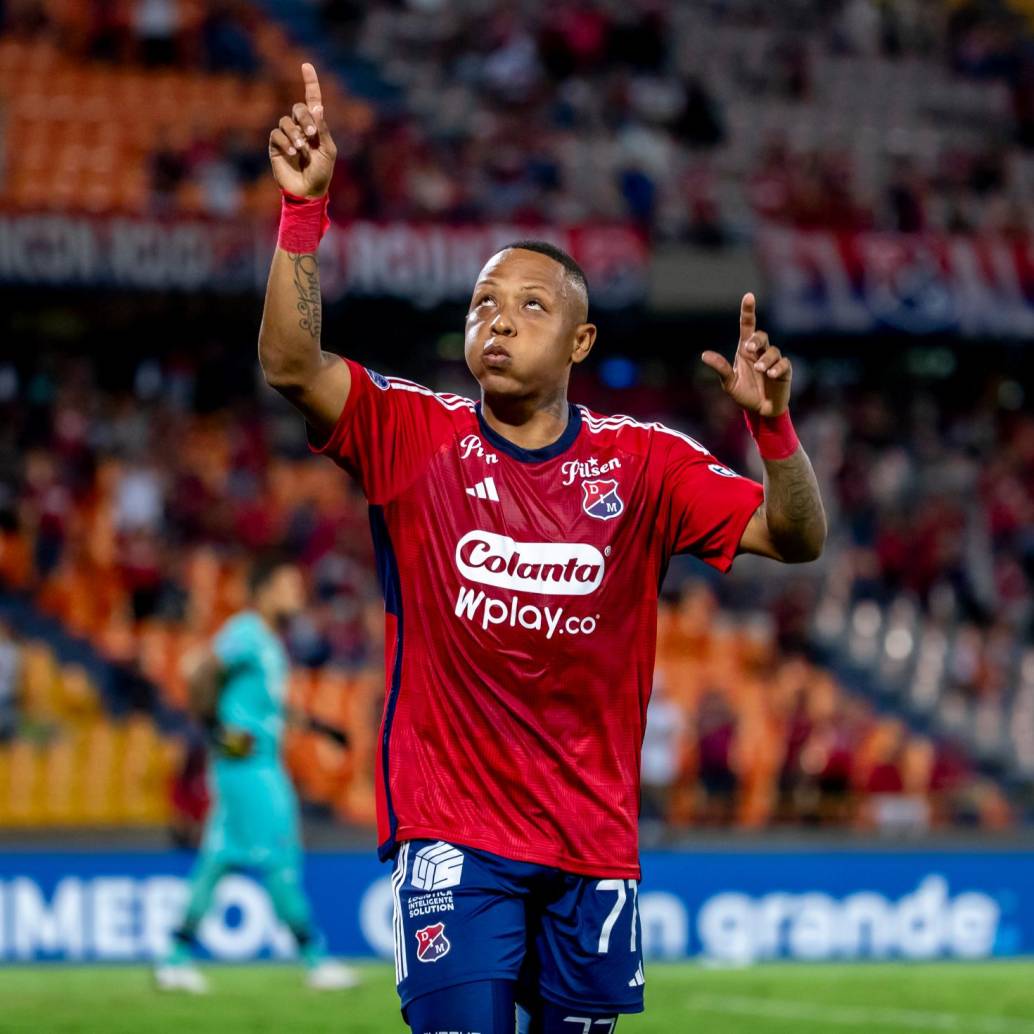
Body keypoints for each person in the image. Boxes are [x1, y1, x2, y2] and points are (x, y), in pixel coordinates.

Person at [259, 64, 826, 1033]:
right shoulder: (413, 434)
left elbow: (794, 536)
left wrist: (774, 432)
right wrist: (301, 213)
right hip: (452, 832)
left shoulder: (643, 462)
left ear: (578, 339)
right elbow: (289, 364)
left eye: (528, 306)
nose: (499, 321)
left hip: (590, 843)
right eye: (484, 304)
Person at [154, 554, 358, 994]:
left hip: (246, 763)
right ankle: (315, 958)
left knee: (218, 859)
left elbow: (269, 707)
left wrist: (323, 729)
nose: (297, 596)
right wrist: (215, 732)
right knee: (281, 855)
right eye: (289, 587)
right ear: (265, 591)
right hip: (251, 765)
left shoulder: (268, 642)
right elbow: (203, 673)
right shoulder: (245, 632)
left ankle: (174, 957)